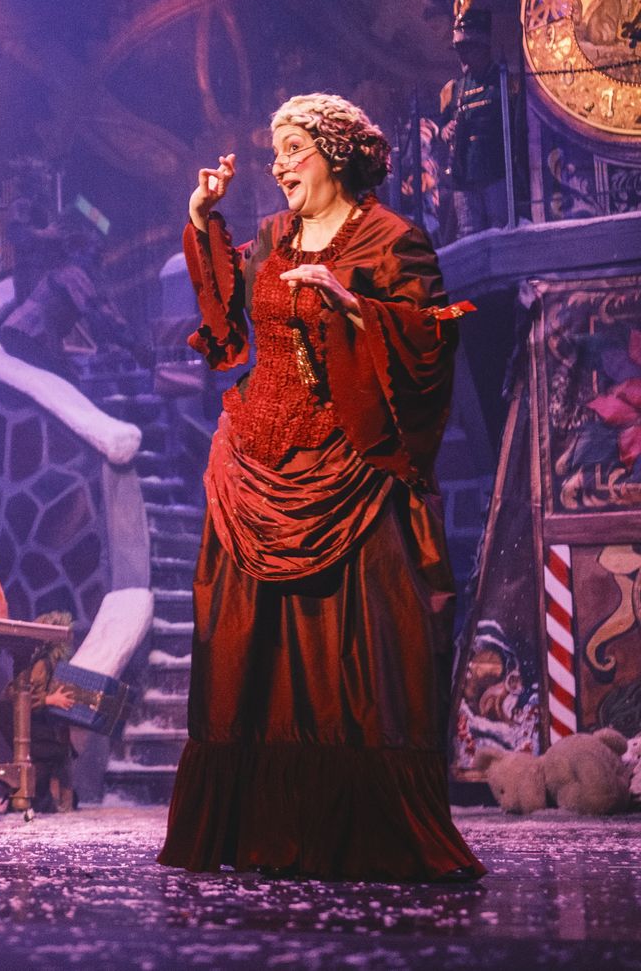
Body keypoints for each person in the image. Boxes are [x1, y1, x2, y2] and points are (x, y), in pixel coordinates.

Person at [158, 93, 485, 881]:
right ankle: (253, 824)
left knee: (362, 647)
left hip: (349, 465)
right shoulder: (273, 235)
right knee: (243, 648)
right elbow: (230, 325)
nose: (278, 165)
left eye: (293, 148)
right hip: (254, 462)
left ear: (335, 154)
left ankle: (364, 827)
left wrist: (354, 306)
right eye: (275, 150)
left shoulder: (392, 239)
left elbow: (430, 340)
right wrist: (203, 217)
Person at [438, 0, 515, 239]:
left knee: (500, 231)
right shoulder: (452, 89)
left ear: (482, 47)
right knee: (469, 234)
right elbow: (442, 129)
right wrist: (445, 131)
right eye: (459, 49)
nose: (462, 56)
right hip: (464, 177)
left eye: (467, 48)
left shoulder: (505, 81)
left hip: (496, 173)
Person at [0, 610, 77, 813]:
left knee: (47, 753)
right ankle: (18, 793)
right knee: (50, 751)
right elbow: (21, 697)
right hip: (11, 712)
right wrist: (50, 699)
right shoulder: (42, 664)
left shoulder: (52, 663)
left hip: (22, 712)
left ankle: (31, 797)